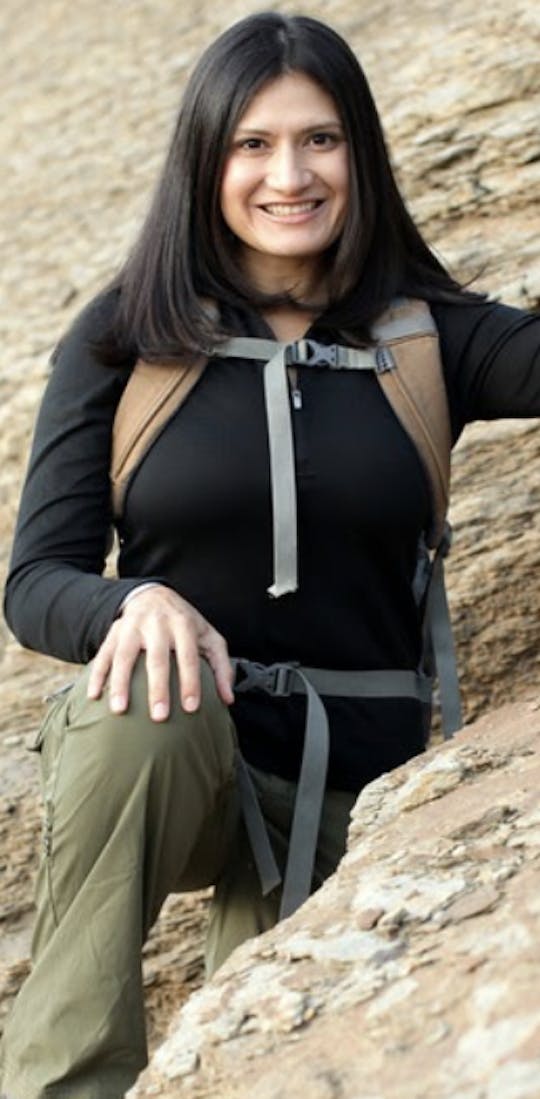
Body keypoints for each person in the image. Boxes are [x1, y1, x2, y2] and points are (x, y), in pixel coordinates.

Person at [1, 10, 539, 1099]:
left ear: (362, 155)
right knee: (136, 704)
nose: (288, 174)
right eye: (252, 144)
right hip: (185, 763)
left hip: (363, 775)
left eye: (321, 139)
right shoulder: (124, 335)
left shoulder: (427, 332)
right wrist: (129, 603)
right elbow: (34, 583)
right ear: (205, 159)